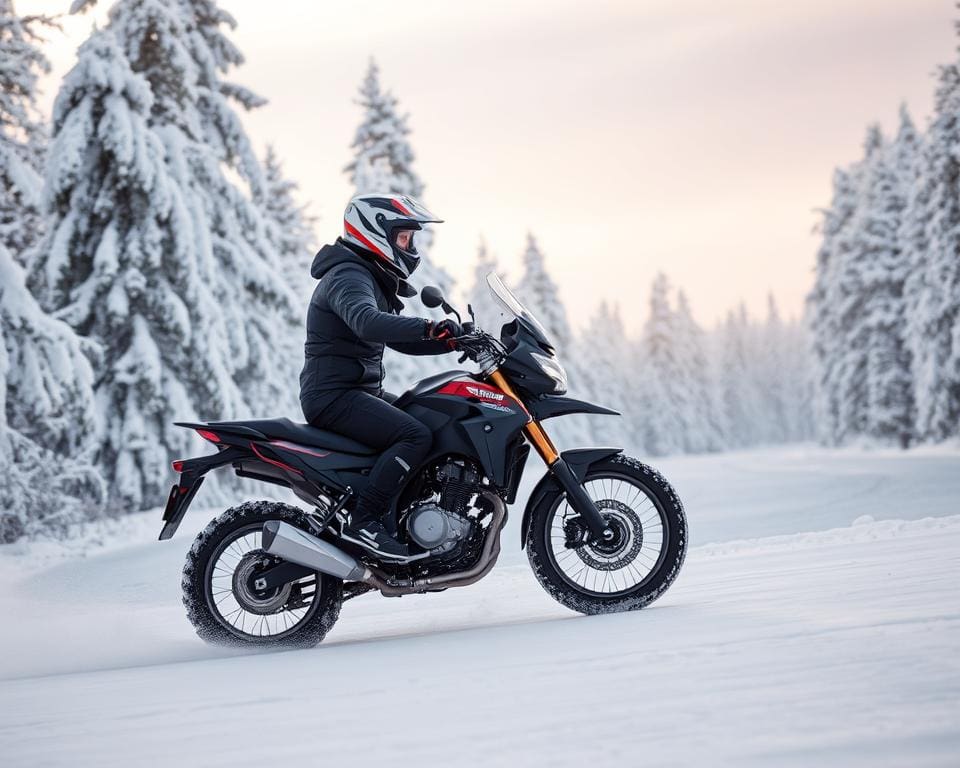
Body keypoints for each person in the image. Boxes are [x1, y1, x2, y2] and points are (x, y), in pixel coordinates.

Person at [299, 193, 462, 557]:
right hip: (334, 396)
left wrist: (451, 342)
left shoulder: (365, 274)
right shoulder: (348, 275)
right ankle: (365, 522)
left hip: (357, 392)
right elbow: (367, 322)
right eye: (403, 237)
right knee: (414, 434)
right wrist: (429, 327)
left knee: (431, 418)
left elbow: (394, 339)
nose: (409, 246)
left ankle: (404, 517)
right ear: (374, 231)